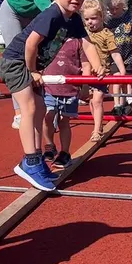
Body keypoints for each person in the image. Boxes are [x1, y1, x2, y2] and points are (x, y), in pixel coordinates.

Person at [0, 0, 104, 192]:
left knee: (40, 109)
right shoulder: (52, 14)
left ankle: (34, 160)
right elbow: (31, 44)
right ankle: (30, 161)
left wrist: (98, 66)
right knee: (30, 109)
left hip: (28, 65)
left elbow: (87, 43)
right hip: (15, 62)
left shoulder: (74, 19)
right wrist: (33, 71)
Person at [0, 0, 80, 129]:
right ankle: (19, 113)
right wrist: (56, 13)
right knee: (18, 59)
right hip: (14, 10)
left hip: (32, 14)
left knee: (38, 54)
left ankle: (36, 102)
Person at [81, 0, 126, 141]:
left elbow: (115, 53)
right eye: (87, 19)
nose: (90, 22)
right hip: (87, 74)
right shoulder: (84, 33)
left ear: (101, 17)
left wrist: (122, 70)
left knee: (97, 100)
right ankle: (98, 124)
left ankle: (96, 130)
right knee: (91, 101)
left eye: (93, 18)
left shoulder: (107, 34)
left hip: (102, 74)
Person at [41, 37, 89, 169]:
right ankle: (49, 146)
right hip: (49, 87)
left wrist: (85, 86)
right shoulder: (48, 38)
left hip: (70, 89)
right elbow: (39, 60)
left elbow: (86, 65)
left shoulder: (78, 42)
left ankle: (65, 152)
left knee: (64, 121)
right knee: (47, 116)